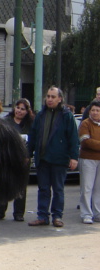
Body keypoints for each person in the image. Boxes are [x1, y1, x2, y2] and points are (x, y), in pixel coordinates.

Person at [27, 86, 79, 228]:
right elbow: (33, 136)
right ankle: (42, 216)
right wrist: (28, 153)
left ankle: (57, 216)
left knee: (58, 189)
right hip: (43, 158)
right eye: (48, 96)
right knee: (43, 189)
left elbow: (73, 138)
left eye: (53, 97)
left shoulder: (66, 115)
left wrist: (74, 157)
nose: (49, 99)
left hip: (59, 159)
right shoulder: (41, 115)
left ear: (60, 99)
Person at [0, 98, 35, 221]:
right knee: (3, 184)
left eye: (22, 109)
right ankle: (0, 212)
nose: (19, 111)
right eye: (17, 108)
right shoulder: (6, 121)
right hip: (7, 159)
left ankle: (19, 213)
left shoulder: (31, 124)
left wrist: (28, 155)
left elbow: (33, 141)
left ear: (27, 111)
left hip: (23, 160)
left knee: (21, 187)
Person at [78, 100, 100, 224]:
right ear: (89, 111)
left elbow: (92, 142)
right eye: (93, 110)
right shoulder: (85, 124)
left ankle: (97, 213)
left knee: (98, 188)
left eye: (98, 110)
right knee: (86, 188)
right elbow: (86, 141)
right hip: (87, 159)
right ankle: (86, 214)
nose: (95, 113)